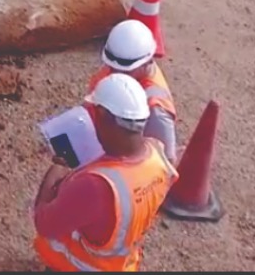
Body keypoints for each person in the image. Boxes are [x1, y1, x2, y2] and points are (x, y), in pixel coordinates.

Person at [33, 74, 178, 272]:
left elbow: (44, 223)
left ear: (105, 117)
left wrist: (57, 168)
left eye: (93, 112)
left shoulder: (95, 186)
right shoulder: (158, 158)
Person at [88, 20, 179, 163]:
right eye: (112, 67)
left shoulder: (156, 112)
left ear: (147, 62)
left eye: (126, 72)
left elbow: (165, 163)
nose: (116, 74)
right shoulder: (118, 67)